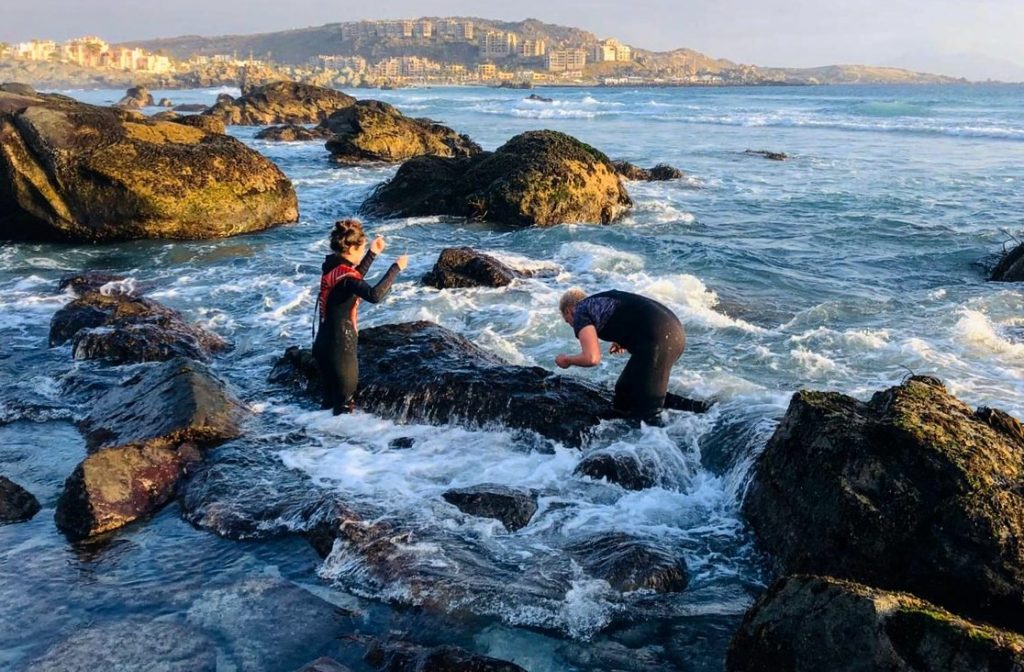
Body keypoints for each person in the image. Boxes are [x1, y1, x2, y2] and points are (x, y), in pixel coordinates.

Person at [312, 219, 408, 415]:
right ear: (353, 248)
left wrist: (372, 253)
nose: (363, 252)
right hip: (341, 349)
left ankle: (315, 443)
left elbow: (352, 278)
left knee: (327, 408)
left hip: (322, 347)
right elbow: (374, 295)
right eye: (362, 249)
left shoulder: (331, 266)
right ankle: (338, 446)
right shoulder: (346, 277)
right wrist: (396, 267)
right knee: (344, 411)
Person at [555, 287, 686, 422]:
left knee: (647, 417)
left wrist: (567, 360)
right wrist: (622, 340)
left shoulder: (580, 311)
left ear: (568, 311)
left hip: (660, 339)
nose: (573, 325)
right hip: (673, 333)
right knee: (625, 392)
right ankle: (701, 410)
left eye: (568, 321)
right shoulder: (600, 300)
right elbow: (633, 312)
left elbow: (592, 358)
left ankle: (696, 424)